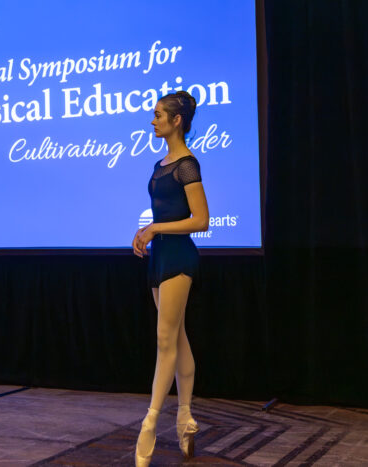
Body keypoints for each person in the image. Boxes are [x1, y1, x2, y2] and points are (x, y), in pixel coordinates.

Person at [131, 90, 209, 466]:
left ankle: (149, 425)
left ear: (177, 120)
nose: (153, 120)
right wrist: (146, 233)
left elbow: (201, 220)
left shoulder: (187, 164)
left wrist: (155, 227)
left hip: (179, 258)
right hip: (159, 257)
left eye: (159, 114)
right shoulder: (161, 162)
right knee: (177, 339)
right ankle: (186, 418)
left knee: (166, 340)